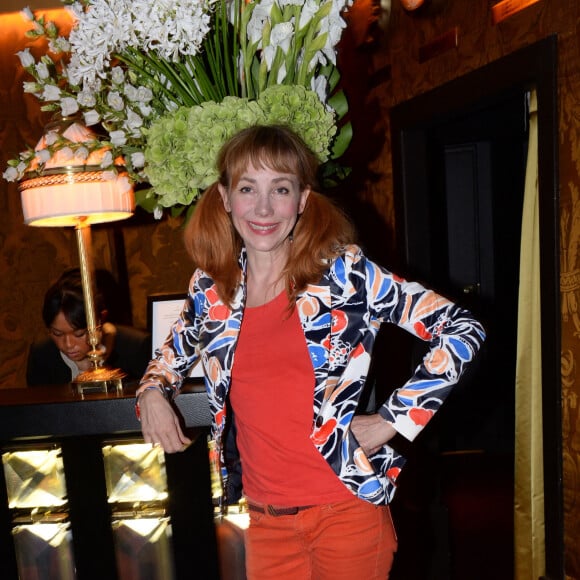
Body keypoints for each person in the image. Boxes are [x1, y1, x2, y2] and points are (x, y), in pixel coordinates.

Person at [135, 125, 486, 579]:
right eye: (247, 189)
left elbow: (463, 328)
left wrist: (392, 419)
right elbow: (167, 360)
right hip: (267, 521)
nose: (263, 208)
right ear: (224, 197)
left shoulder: (343, 274)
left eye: (280, 189)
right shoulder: (211, 287)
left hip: (346, 515)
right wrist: (151, 395)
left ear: (302, 200)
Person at [27, 268, 151, 386]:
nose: (69, 344)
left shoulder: (136, 348)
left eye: (79, 334)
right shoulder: (41, 356)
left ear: (100, 319)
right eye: (57, 334)